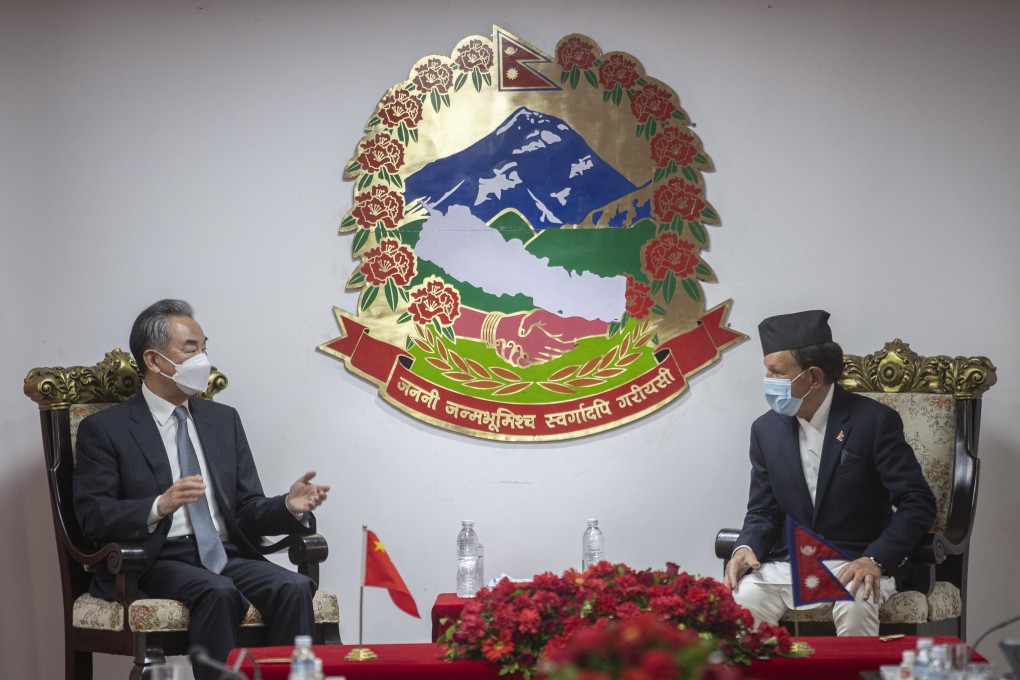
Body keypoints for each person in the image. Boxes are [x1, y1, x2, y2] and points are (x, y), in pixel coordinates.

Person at [73, 299, 330, 678]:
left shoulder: (222, 420)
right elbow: (93, 517)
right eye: (191, 348)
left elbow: (246, 509)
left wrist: (288, 507)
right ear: (154, 360)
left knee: (293, 585)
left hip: (225, 554)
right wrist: (158, 506)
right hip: (156, 559)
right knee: (217, 592)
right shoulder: (107, 429)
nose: (203, 358)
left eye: (204, 346)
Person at [724, 310, 935, 636]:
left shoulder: (874, 421)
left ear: (814, 377)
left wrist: (875, 559)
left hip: (855, 560)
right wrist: (746, 547)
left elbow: (917, 501)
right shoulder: (764, 429)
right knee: (739, 604)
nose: (768, 380)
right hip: (785, 563)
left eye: (777, 372)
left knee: (857, 598)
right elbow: (763, 510)